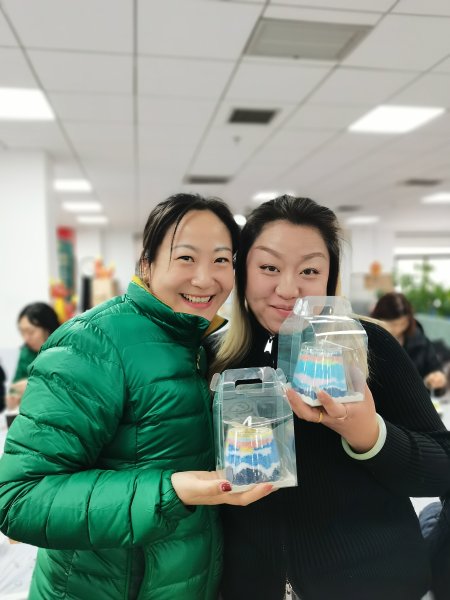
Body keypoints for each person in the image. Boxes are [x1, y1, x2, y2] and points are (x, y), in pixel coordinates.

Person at [0, 193, 274, 600]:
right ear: (147, 264)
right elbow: (19, 498)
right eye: (185, 258)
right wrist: (169, 492)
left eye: (221, 260)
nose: (205, 279)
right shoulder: (93, 342)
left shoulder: (200, 345)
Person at [208, 195, 450, 600]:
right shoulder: (216, 360)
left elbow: (443, 467)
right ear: (242, 270)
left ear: (329, 277)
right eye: (269, 267)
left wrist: (370, 436)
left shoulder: (370, 347)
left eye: (309, 270)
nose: (288, 289)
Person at [370, 292, 447, 394]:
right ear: (377, 320)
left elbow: (435, 367)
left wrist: (438, 378)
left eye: (403, 323)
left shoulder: (420, 340)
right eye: (393, 324)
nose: (398, 329)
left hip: (417, 398)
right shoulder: (369, 343)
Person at [6, 302, 60, 409]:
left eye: (30, 332)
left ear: (47, 329)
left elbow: (68, 388)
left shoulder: (65, 350)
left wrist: (34, 386)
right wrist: (13, 395)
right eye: (22, 332)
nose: (26, 338)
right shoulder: (26, 352)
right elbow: (16, 384)